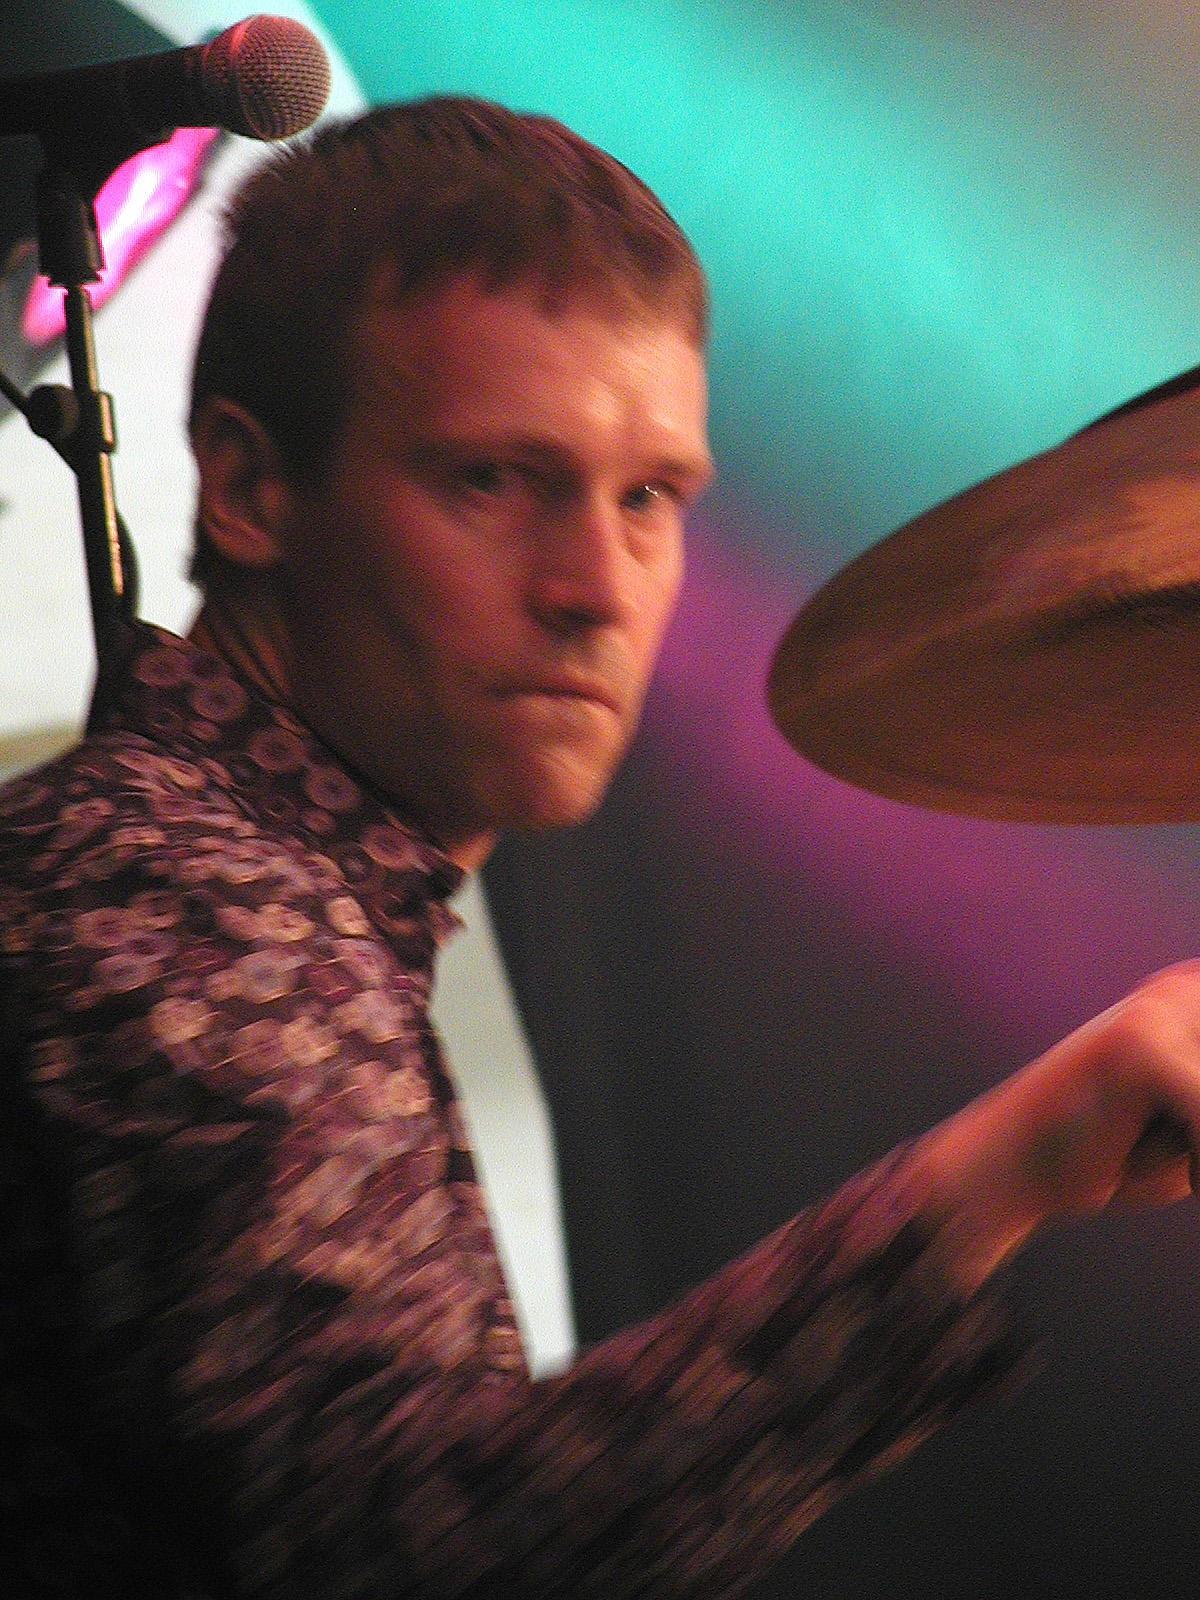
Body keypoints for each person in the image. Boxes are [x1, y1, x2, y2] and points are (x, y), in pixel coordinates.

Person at [1, 97, 1198, 1599]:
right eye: (494, 481)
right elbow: (397, 1560)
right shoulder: (166, 892)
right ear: (248, 489)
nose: (599, 586)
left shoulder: (276, 890)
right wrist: (1017, 1157)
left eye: (650, 499)